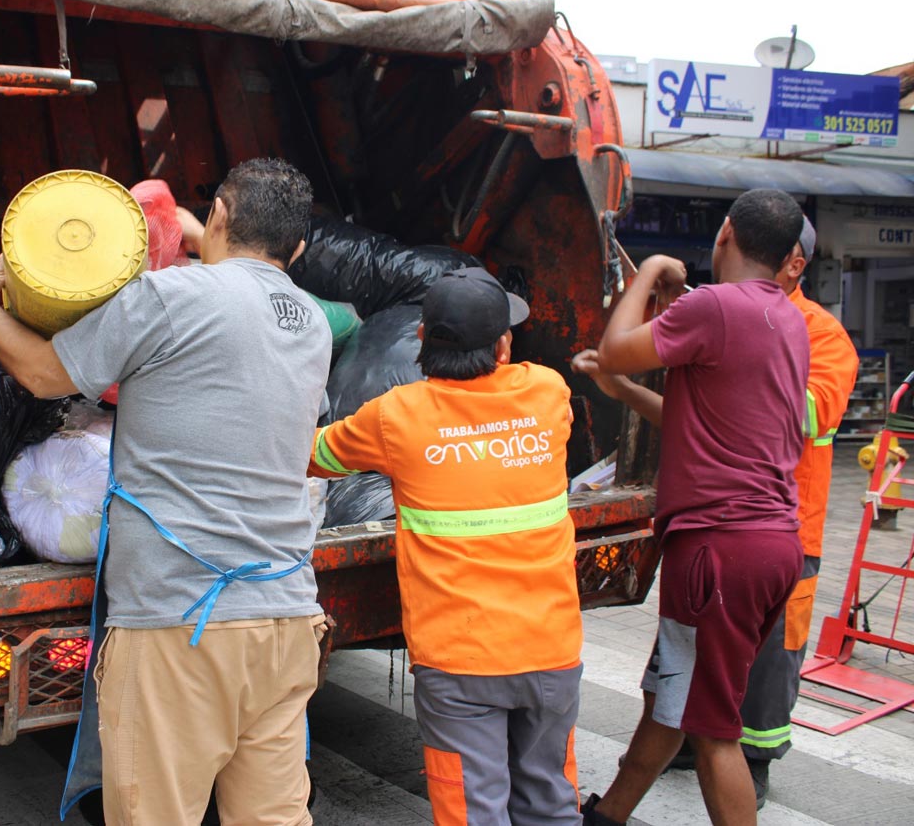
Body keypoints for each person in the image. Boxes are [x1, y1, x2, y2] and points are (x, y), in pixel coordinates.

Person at [0, 158, 331, 825]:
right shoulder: (310, 322)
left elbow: (46, 374)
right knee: (274, 816)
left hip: (181, 623)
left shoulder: (169, 297)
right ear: (299, 248)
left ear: (218, 216)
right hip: (286, 616)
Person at [309, 267, 583, 826]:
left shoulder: (397, 416)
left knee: (474, 814)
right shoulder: (548, 392)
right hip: (551, 650)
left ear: (419, 340)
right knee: (551, 803)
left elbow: (317, 457)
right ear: (504, 345)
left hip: (461, 663)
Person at [573, 188, 809, 826]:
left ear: (725, 232)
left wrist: (650, 270)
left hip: (718, 550)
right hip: (768, 544)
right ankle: (608, 815)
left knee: (712, 728)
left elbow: (619, 342)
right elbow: (692, 418)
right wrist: (617, 389)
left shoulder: (716, 305)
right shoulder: (785, 316)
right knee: (671, 698)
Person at [737, 216, 858, 803]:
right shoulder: (728, 311)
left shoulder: (824, 335)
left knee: (772, 652)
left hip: (791, 525)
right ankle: (683, 741)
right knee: (697, 639)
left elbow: (811, 414)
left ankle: (755, 758)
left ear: (792, 265)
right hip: (724, 516)